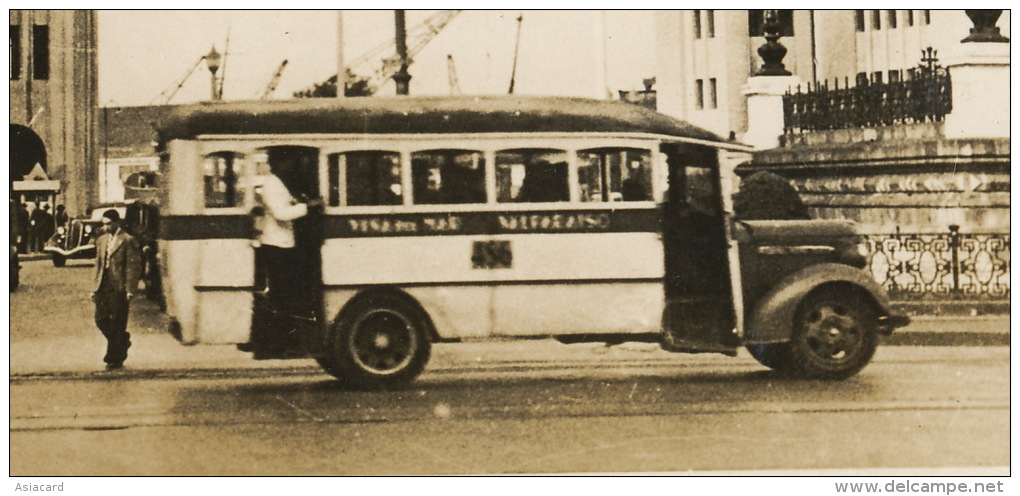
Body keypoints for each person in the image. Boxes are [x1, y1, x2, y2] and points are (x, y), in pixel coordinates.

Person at [249, 163, 322, 358]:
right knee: (281, 298)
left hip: (282, 245)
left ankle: (281, 344)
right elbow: (281, 214)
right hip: (276, 246)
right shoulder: (272, 185)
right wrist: (307, 206)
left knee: (283, 297)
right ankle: (275, 346)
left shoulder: (278, 183)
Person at [92, 210, 142, 370]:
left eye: (108, 223)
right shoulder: (101, 240)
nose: (105, 227)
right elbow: (98, 264)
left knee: (118, 323)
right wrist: (94, 287)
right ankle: (122, 341)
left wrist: (130, 289)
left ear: (116, 222)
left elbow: (132, 266)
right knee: (100, 319)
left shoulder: (128, 240)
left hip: (119, 286)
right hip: (103, 284)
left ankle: (114, 358)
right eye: (103, 224)